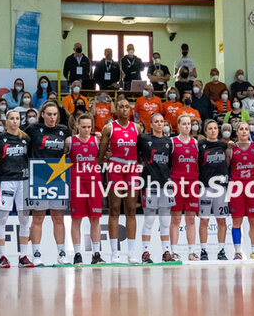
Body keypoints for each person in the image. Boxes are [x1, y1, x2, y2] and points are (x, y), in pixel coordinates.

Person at [25, 102, 69, 265]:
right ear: (42, 114)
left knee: (59, 218)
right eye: (49, 114)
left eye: (55, 114)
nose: (52, 117)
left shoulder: (64, 130)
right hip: (39, 173)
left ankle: (62, 254)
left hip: (59, 173)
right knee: (38, 217)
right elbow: (19, 140)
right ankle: (36, 254)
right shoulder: (32, 129)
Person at [99, 98, 141, 263]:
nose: (124, 109)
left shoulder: (136, 127)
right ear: (116, 109)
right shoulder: (109, 128)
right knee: (114, 209)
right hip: (115, 170)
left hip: (131, 170)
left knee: (131, 210)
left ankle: (131, 253)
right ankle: (114, 253)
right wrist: (103, 160)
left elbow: (141, 150)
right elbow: (101, 154)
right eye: (121, 107)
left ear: (130, 109)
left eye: (126, 107)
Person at [0, 110, 34, 267]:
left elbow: (29, 157)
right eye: (12, 118)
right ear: (6, 121)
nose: (15, 121)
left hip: (23, 181)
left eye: (17, 118)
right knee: (2, 218)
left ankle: (23, 255)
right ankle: (2, 256)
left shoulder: (26, 138)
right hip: (7, 181)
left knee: (24, 219)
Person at [66, 113, 104, 264]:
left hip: (94, 182)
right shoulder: (70, 141)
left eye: (89, 127)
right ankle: (77, 254)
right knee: (77, 219)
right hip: (76, 182)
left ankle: (96, 253)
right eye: (83, 127)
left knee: (95, 218)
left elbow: (103, 157)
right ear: (77, 125)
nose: (87, 130)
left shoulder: (97, 140)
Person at [138, 113, 175, 261]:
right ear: (151, 124)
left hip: (166, 184)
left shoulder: (168, 142)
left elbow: (170, 163)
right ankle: (145, 253)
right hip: (149, 184)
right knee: (149, 220)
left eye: (162, 121)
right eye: (156, 122)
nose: (160, 124)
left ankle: (166, 252)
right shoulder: (143, 139)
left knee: (165, 221)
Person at [227, 121, 254, 260]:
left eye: (246, 129)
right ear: (236, 132)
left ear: (250, 132)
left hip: (252, 187)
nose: (244, 131)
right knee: (236, 221)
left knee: (253, 221)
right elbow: (223, 167)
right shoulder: (230, 149)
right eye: (241, 129)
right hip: (236, 187)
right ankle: (238, 252)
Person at [196, 119, 230, 260]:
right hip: (204, 186)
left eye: (215, 128)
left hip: (221, 188)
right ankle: (203, 251)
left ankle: (221, 250)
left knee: (221, 221)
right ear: (205, 131)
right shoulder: (200, 145)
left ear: (218, 130)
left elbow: (228, 162)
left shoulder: (224, 145)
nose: (213, 130)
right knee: (204, 220)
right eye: (210, 128)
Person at [169, 114, 200, 261]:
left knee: (191, 220)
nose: (187, 126)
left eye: (189, 124)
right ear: (178, 125)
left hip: (192, 182)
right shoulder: (172, 142)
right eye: (184, 124)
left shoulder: (196, 142)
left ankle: (192, 252)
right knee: (175, 219)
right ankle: (173, 251)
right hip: (176, 182)